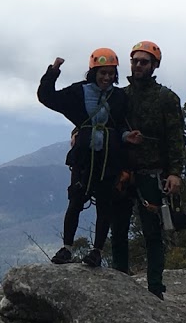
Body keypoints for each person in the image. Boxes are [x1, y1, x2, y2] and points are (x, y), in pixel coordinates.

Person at [37, 48, 130, 267]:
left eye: (110, 73)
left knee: (104, 205)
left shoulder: (119, 97)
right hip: (84, 158)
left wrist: (128, 136)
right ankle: (67, 247)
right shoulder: (78, 92)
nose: (106, 77)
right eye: (102, 73)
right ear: (93, 72)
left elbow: (120, 126)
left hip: (109, 158)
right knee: (76, 201)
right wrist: (53, 71)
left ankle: (96, 251)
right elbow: (47, 97)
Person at [110, 40, 185, 299]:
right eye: (135, 61)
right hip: (123, 173)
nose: (138, 65)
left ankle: (155, 289)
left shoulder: (166, 98)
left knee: (153, 234)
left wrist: (175, 172)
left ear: (154, 66)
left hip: (153, 174)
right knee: (118, 230)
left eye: (144, 61)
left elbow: (176, 137)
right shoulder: (120, 96)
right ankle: (120, 285)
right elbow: (103, 122)